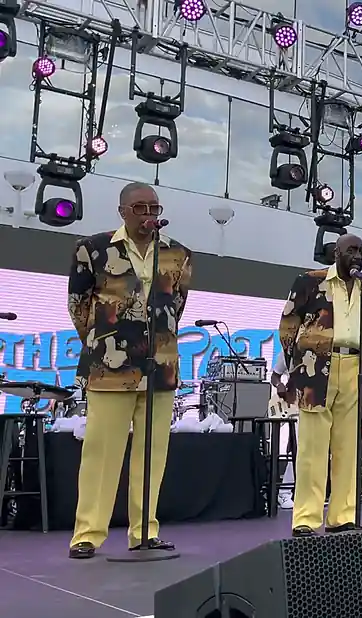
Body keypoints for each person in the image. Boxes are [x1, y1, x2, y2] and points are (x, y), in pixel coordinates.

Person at [67, 182, 192, 559]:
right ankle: (88, 533)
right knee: (101, 451)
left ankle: (143, 531)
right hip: (109, 364)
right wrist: (106, 339)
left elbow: (178, 305)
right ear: (122, 211)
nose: (149, 215)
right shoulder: (93, 248)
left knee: (153, 453)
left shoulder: (178, 254)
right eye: (140, 208)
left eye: (154, 208)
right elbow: (79, 305)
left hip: (160, 363)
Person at [279, 234, 362, 536]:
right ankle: (306, 518)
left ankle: (342, 516)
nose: (358, 256)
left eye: (361, 251)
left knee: (348, 447)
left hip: (353, 367)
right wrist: (296, 368)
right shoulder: (310, 281)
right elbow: (287, 326)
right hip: (317, 368)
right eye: (351, 250)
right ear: (336, 253)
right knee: (312, 448)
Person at [270, 353, 296, 510]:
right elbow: (275, 375)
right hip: (295, 404)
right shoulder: (288, 352)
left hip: (315, 403)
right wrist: (279, 384)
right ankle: (284, 493)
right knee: (299, 449)